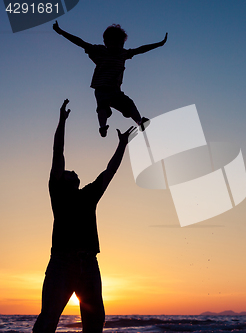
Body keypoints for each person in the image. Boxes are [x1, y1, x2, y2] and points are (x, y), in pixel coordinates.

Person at [33, 99, 136, 332]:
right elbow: (57, 153)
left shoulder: (89, 194)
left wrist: (122, 145)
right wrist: (61, 122)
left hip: (89, 263)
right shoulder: (58, 193)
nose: (71, 170)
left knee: (95, 321)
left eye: (72, 172)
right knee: (48, 318)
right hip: (62, 262)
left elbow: (110, 172)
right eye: (68, 171)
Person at [53, 21, 167, 137]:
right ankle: (102, 126)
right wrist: (62, 32)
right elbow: (80, 42)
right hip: (102, 89)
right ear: (106, 42)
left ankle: (139, 121)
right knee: (102, 107)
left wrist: (158, 44)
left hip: (115, 91)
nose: (119, 46)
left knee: (128, 103)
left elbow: (140, 50)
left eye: (121, 43)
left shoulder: (123, 53)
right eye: (117, 43)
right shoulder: (100, 50)